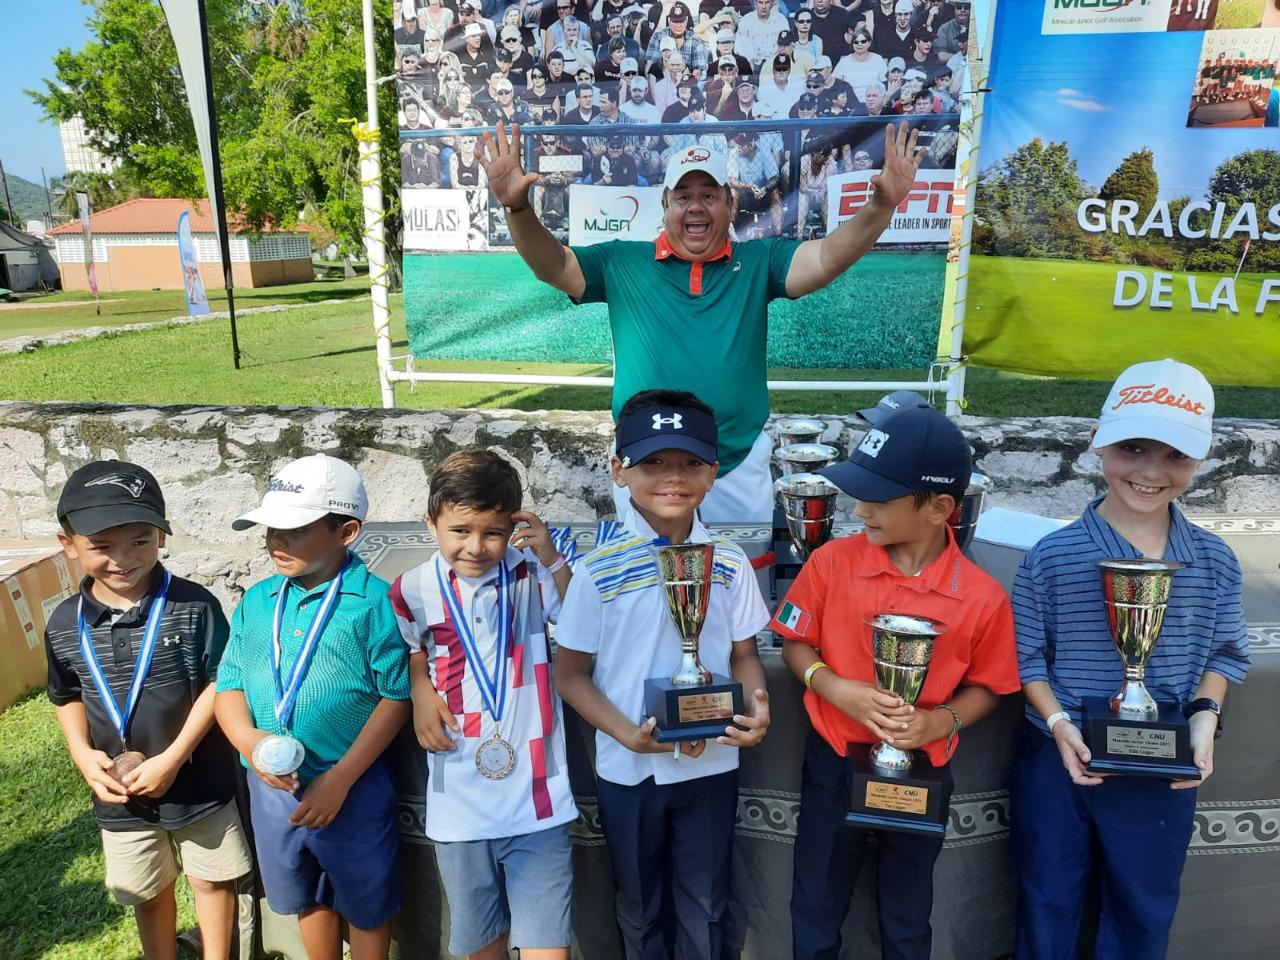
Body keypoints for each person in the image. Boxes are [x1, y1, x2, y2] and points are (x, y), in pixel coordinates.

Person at [476, 119, 926, 522]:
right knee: (644, 582)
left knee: (740, 575)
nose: (696, 207)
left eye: (709, 196)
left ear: (730, 204)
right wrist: (518, 209)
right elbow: (553, 266)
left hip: (734, 463)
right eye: (684, 196)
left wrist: (880, 207)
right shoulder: (622, 261)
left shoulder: (759, 261)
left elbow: (826, 257)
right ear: (665, 204)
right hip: (645, 463)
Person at [1010, 358, 1251, 960]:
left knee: (1143, 910)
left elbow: (1225, 654)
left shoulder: (1215, 560)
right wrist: (1059, 723)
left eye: (1176, 456)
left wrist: (1203, 721)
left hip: (1161, 765)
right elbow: (1026, 657)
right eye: (1133, 448)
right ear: (1098, 440)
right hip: (1059, 759)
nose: (1150, 471)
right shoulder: (1052, 556)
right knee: (1047, 900)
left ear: (1201, 459)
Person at [772, 406, 1021, 960]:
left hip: (922, 769)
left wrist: (940, 721)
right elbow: (794, 643)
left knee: (907, 917)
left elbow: (991, 685)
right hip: (834, 760)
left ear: (939, 508)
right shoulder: (830, 562)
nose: (860, 510)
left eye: (880, 499)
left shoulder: (982, 596)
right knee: (815, 905)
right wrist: (832, 686)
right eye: (860, 495)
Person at [554, 390, 772, 960]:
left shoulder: (728, 562)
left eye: (691, 462)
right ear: (618, 469)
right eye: (653, 462)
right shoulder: (596, 571)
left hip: (712, 760)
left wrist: (757, 706)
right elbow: (570, 674)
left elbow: (745, 653)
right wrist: (627, 734)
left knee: (708, 904)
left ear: (713, 472)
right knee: (640, 905)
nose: (673, 477)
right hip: (629, 768)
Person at [46, 461, 251, 960]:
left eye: (139, 541)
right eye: (101, 546)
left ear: (161, 536)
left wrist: (174, 758)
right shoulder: (63, 622)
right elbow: (66, 694)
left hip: (200, 782)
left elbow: (221, 682)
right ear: (68, 543)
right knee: (147, 890)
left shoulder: (194, 605)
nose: (122, 559)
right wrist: (81, 754)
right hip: (121, 796)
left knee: (213, 881)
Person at [214, 454, 411, 960]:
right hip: (272, 787)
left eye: (295, 530)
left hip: (352, 784)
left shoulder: (375, 602)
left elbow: (395, 697)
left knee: (367, 903)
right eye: (271, 529)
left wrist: (340, 779)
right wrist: (250, 743)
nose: (276, 541)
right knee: (304, 892)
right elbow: (229, 684)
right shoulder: (258, 601)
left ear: (346, 532)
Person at [390, 451, 578, 960]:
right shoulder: (410, 590)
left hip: (538, 797)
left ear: (514, 526)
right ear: (430, 522)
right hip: (460, 802)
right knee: (481, 944)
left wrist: (553, 558)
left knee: (548, 947)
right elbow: (410, 649)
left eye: (493, 533)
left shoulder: (532, 574)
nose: (475, 547)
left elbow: (581, 620)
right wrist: (419, 687)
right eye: (460, 530)